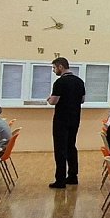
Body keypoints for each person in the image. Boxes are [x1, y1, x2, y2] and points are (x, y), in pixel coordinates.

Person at [47, 57, 87, 188]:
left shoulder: (59, 82)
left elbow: (54, 101)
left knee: (60, 149)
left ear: (60, 67)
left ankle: (60, 180)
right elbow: (82, 100)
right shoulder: (79, 81)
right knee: (71, 146)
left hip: (61, 119)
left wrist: (49, 99)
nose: (54, 71)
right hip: (75, 118)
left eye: (54, 68)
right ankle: (73, 176)